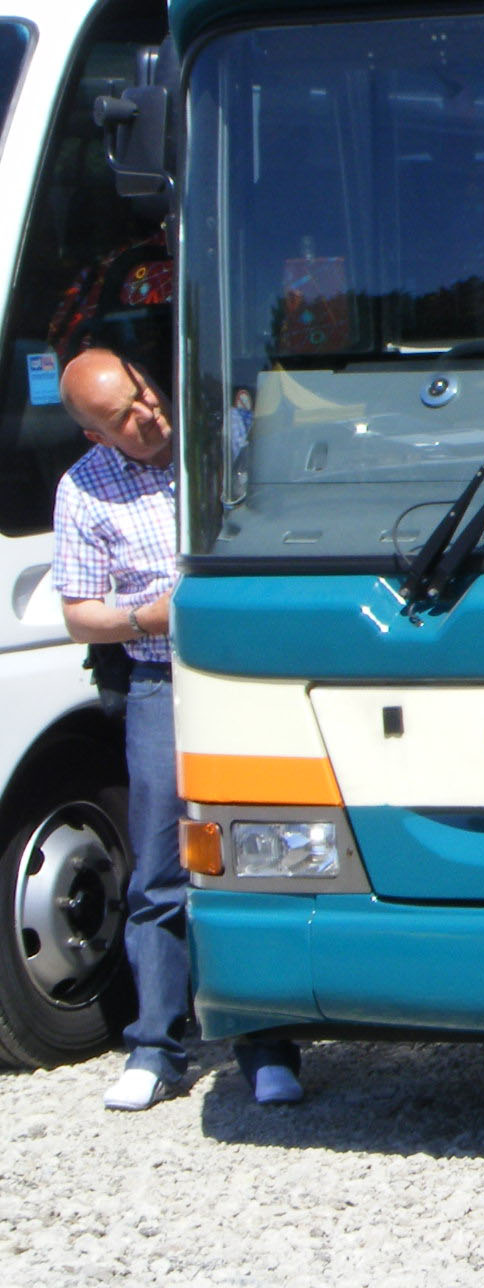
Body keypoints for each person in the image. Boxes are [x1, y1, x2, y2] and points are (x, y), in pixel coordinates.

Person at [50, 347, 303, 1110]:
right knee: (159, 867)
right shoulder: (83, 490)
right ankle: (158, 1047)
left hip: (246, 673)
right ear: (98, 437)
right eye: (124, 416)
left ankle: (267, 1042)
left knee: (264, 853)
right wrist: (152, 615)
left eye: (145, 393)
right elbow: (78, 614)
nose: (148, 414)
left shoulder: (220, 440)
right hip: (161, 678)